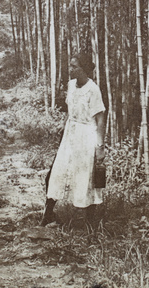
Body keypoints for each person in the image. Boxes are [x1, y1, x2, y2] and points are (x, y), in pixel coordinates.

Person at [40, 52, 106, 226]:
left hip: (87, 136)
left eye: (74, 66)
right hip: (71, 133)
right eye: (70, 65)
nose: (70, 69)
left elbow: (100, 118)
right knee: (57, 172)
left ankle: (90, 226)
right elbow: (70, 112)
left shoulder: (93, 89)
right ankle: (47, 214)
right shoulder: (70, 85)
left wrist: (100, 147)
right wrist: (63, 132)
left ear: (83, 70)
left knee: (86, 177)